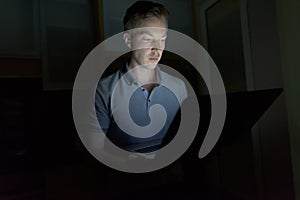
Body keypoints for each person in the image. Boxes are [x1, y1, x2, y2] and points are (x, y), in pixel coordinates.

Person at [95, 1, 187, 154]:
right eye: (147, 38)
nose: (157, 48)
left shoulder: (179, 86)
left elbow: (185, 139)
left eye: (162, 39)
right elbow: (95, 150)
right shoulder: (103, 90)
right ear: (128, 40)